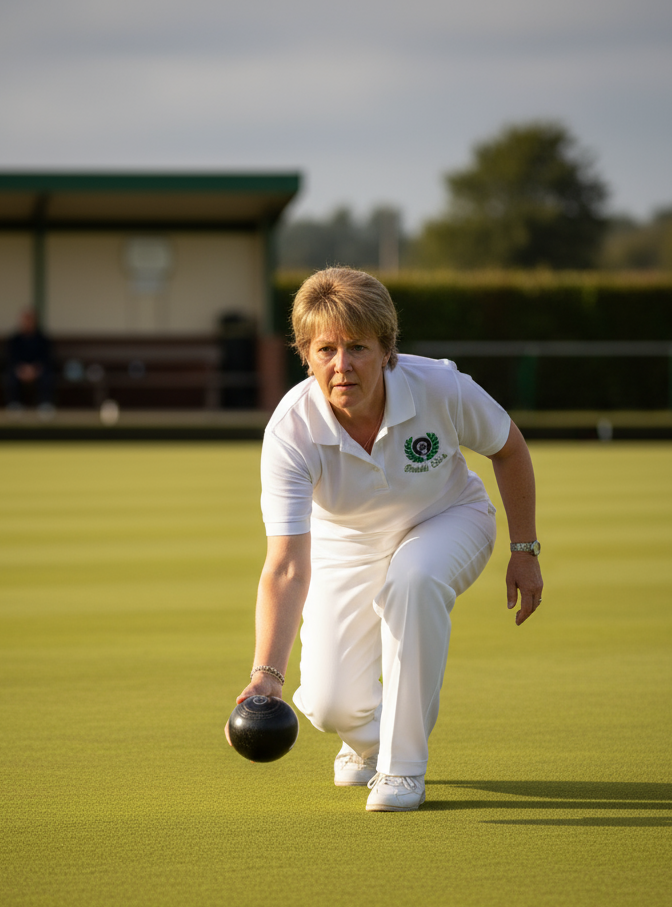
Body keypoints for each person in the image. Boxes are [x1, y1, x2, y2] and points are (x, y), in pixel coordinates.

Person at [226, 268, 543, 812]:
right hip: (346, 541)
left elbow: (509, 449)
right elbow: (285, 568)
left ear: (388, 350)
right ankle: (367, 743)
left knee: (413, 581)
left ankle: (402, 771)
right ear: (305, 354)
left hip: (447, 517)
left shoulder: (441, 387)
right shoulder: (290, 433)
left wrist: (525, 550)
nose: (342, 365)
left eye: (358, 348)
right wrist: (265, 677)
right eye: (325, 349)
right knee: (328, 705)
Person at [6, 308, 55, 414]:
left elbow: (46, 358)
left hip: (37, 369)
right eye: (25, 320)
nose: (27, 323)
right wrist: (22, 369)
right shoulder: (15, 339)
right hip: (20, 369)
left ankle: (45, 405)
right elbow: (12, 358)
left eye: (30, 320)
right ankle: (14, 405)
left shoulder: (43, 339)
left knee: (48, 375)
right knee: (10, 376)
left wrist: (34, 369)